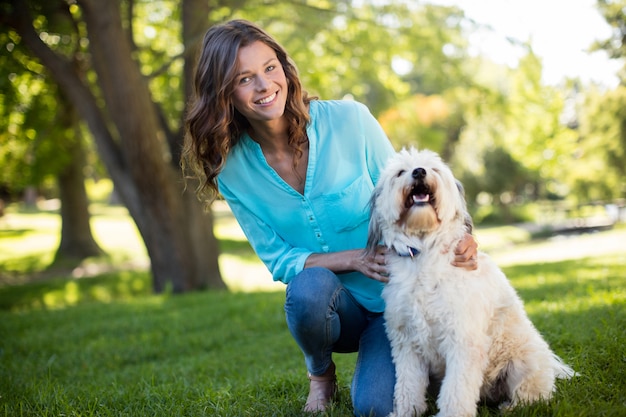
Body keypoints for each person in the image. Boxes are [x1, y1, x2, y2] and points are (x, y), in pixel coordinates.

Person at [182, 19, 478, 416]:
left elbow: (406, 190)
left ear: (285, 70)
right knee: (307, 289)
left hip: (398, 299)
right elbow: (279, 259)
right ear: (225, 94)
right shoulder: (234, 170)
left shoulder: (350, 121)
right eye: (244, 79)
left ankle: (425, 368)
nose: (264, 86)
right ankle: (321, 376)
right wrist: (352, 258)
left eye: (270, 68)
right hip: (332, 308)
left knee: (374, 408)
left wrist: (465, 236)